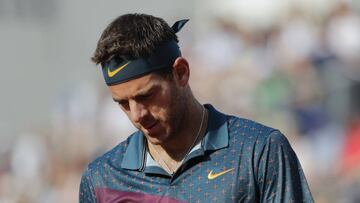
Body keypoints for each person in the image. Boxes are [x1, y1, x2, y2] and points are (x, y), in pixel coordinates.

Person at [79, 13, 314, 203]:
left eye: (147, 95)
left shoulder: (259, 151)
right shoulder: (101, 178)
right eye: (123, 103)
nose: (137, 114)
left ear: (181, 73)